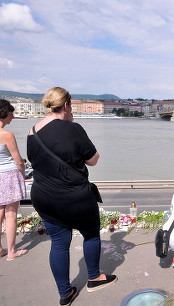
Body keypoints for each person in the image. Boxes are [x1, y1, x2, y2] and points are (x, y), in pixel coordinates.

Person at [27, 87, 116, 306]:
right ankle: (94, 278)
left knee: (58, 243)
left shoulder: (32, 132)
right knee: (91, 235)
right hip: (75, 196)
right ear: (66, 105)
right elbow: (93, 160)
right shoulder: (73, 129)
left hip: (43, 197)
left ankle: (65, 293)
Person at [0, 99, 28, 260]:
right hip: (9, 175)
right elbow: (17, 160)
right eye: (11, 114)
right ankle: (11, 251)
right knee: (11, 214)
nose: (12, 117)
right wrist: (22, 173)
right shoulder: (7, 135)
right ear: (3, 114)